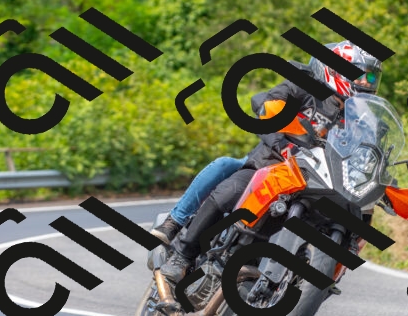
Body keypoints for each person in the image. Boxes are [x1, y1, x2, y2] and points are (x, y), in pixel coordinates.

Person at [158, 40, 384, 283]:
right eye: (359, 75)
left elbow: (370, 153)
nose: (365, 82)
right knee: (230, 189)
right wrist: (283, 145)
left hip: (316, 184)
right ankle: (182, 254)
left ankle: (286, 281)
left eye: (371, 77)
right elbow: (266, 105)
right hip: (271, 163)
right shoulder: (304, 86)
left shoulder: (363, 119)